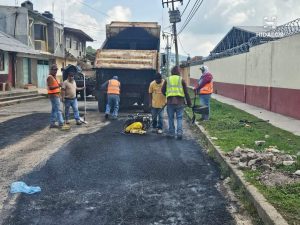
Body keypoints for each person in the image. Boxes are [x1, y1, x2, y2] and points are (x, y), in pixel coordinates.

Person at [162, 66, 192, 140]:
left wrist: (168, 95)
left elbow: (162, 90)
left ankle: (171, 133)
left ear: (172, 72)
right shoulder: (181, 80)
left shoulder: (167, 79)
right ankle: (179, 133)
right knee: (179, 118)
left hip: (170, 102)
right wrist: (189, 103)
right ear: (178, 72)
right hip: (180, 102)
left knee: (171, 118)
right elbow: (186, 93)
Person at [47, 64, 64, 128]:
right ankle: (61, 122)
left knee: (54, 110)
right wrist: (59, 85)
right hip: (53, 95)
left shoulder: (54, 77)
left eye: (56, 70)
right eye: (54, 70)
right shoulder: (50, 77)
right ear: (51, 70)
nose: (55, 71)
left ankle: (52, 123)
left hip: (56, 95)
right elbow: (50, 87)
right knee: (58, 110)